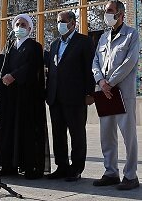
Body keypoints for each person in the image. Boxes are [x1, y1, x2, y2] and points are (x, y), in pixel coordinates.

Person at [91, 0, 140, 190]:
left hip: (122, 92)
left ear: (120, 14)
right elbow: (95, 61)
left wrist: (110, 82)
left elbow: (130, 62)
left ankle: (131, 175)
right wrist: (101, 82)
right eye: (105, 11)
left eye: (109, 11)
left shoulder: (131, 35)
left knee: (129, 135)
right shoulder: (103, 37)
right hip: (104, 92)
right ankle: (111, 172)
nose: (106, 14)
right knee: (107, 135)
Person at [0, 13, 49, 179]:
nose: (19, 28)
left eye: (23, 25)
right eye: (17, 24)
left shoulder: (34, 46)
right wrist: (4, 77)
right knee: (9, 130)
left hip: (28, 97)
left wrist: (15, 76)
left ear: (30, 28)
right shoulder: (9, 46)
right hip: (10, 97)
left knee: (28, 131)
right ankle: (9, 165)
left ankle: (30, 166)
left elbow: (32, 67)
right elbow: (1, 65)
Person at [46, 11, 95, 181]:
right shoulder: (54, 45)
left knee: (77, 134)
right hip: (55, 97)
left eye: (63, 21)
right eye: (58, 21)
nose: (59, 24)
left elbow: (90, 69)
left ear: (73, 23)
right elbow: (52, 70)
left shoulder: (84, 42)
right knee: (58, 134)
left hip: (75, 97)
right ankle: (62, 166)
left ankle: (76, 168)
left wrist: (90, 93)